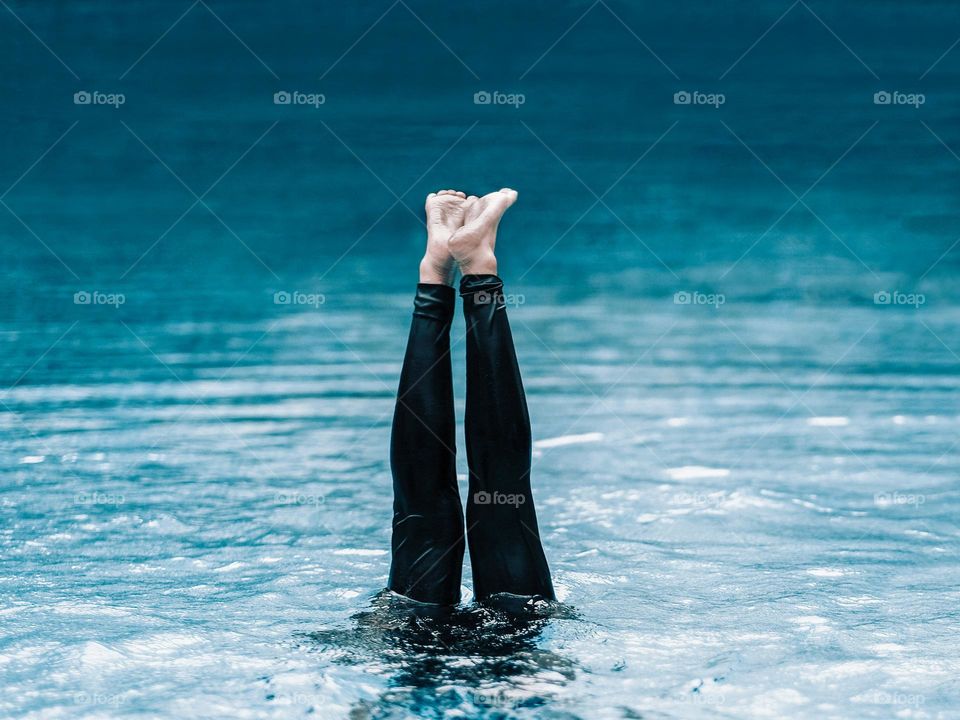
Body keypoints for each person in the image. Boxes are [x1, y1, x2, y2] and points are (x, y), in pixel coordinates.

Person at [387, 188, 555, 606]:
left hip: (409, 637)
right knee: (494, 505)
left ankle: (451, 269)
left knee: (449, 512)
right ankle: (458, 270)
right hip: (510, 645)